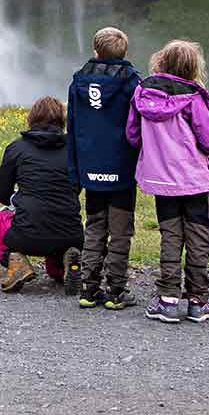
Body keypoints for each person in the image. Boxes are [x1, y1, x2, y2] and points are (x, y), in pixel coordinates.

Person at [126, 39, 209, 324]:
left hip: (162, 180)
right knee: (198, 236)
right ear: (193, 68)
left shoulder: (142, 94)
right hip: (194, 180)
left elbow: (132, 136)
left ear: (161, 63)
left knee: (170, 236)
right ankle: (198, 301)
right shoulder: (194, 98)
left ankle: (168, 299)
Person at [68, 26, 140, 309]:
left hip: (90, 169)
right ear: (124, 53)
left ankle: (88, 289)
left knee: (95, 226)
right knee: (121, 230)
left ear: (95, 52)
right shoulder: (133, 83)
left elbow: (71, 128)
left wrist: (75, 171)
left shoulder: (78, 82)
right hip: (122, 169)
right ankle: (115, 291)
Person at [0, 95, 84, 293]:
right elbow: (76, 189)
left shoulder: (17, 148)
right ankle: (65, 266)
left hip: (26, 234)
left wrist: (16, 200)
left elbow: (0, 189)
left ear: (31, 118)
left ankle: (16, 261)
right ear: (62, 121)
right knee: (57, 259)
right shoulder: (74, 149)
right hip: (71, 233)